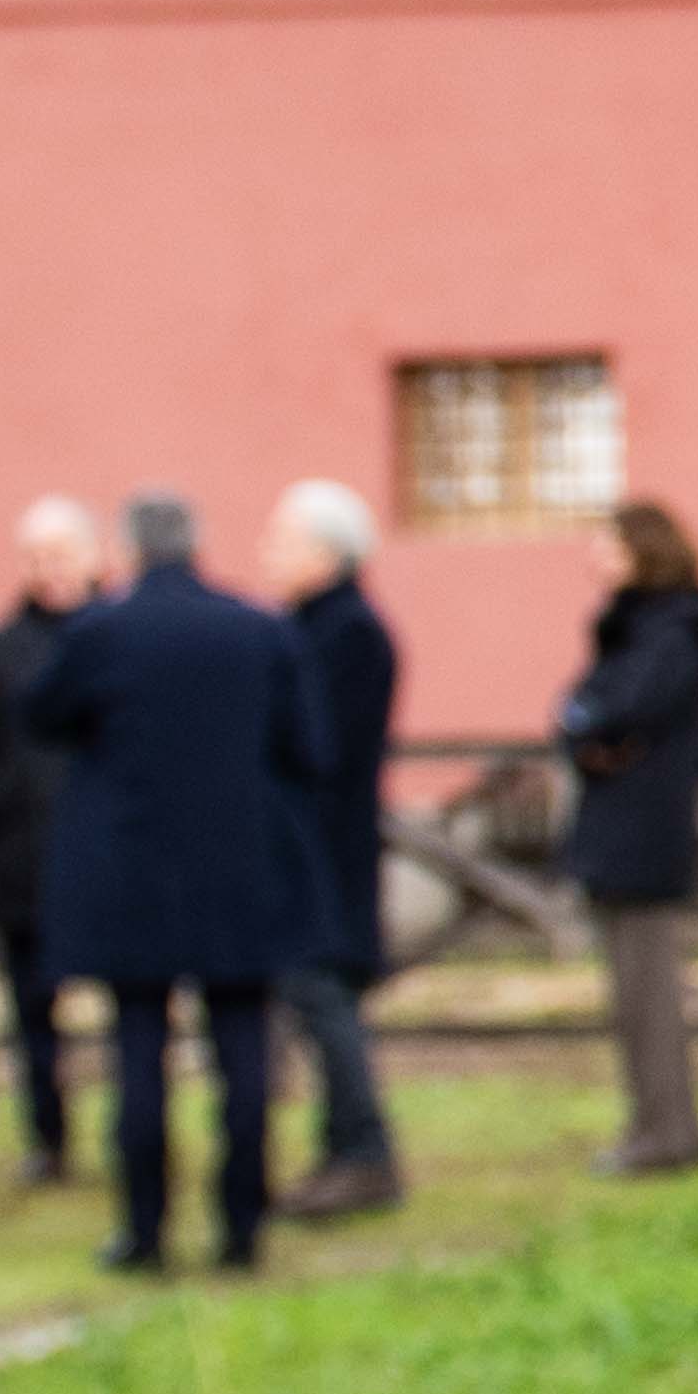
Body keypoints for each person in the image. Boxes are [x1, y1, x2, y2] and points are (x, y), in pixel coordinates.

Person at [32, 489, 327, 1273]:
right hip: (239, 873)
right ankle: (242, 1224)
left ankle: (146, 1228)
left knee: (138, 1051)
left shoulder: (100, 631)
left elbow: (43, 714)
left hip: (132, 876)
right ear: (197, 543)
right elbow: (305, 745)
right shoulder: (258, 630)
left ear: (129, 548)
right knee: (244, 1052)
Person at [558, 496, 698, 1176]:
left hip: (646, 830)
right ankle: (655, 1124)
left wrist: (590, 725)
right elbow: (581, 713)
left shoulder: (672, 628)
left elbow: (623, 708)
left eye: (608, 546)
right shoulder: (629, 626)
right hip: (618, 825)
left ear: (643, 551)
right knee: (631, 993)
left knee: (649, 991)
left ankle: (667, 1131)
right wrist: (584, 724)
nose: (594, 559)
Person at [260, 479, 408, 1220]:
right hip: (310, 846)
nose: (268, 554)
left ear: (327, 552)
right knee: (316, 997)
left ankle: (363, 1152)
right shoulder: (313, 627)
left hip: (325, 849)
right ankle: (340, 1149)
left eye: (283, 540)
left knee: (324, 995)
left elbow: (318, 748)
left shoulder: (347, 633)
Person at [0, 495, 102, 1186]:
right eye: (36, 559)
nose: (49, 571)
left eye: (61, 555)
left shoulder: (117, 634)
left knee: (132, 1004)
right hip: (23, 856)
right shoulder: (4, 645)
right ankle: (48, 1140)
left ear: (91, 556)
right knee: (31, 1010)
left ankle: (138, 1138)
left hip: (105, 855)